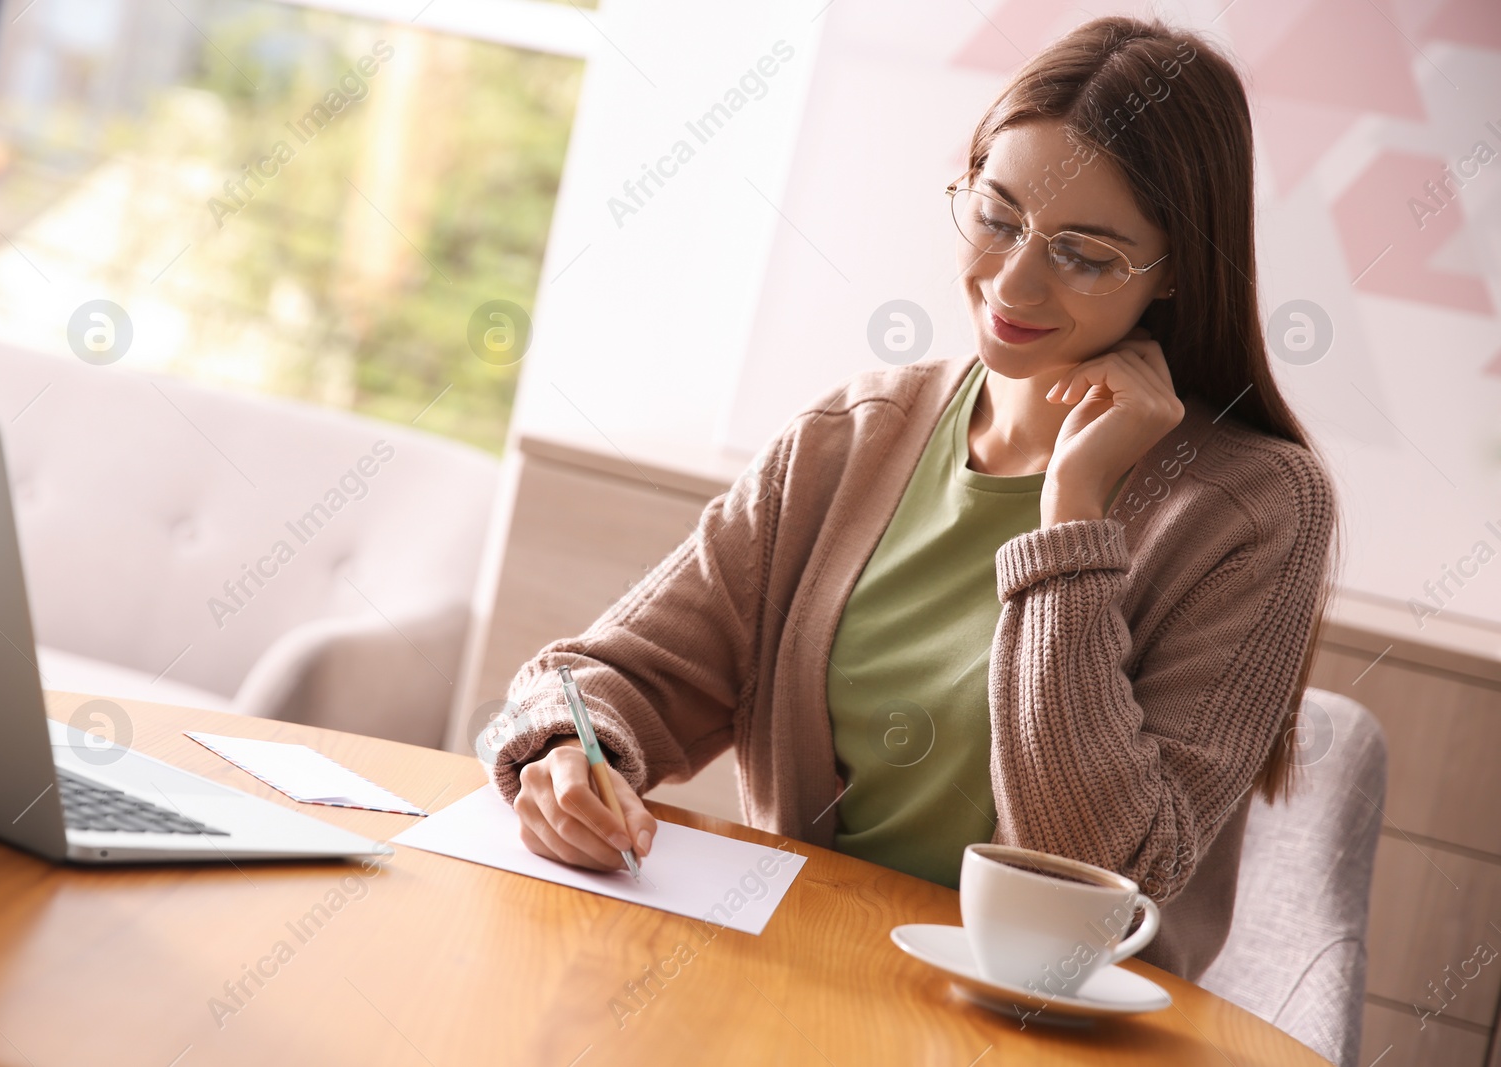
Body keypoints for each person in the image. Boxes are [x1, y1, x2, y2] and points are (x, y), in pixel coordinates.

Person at [480, 13, 1339, 982]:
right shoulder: (858, 432)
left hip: (1053, 1025)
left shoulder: (1257, 507)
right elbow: (617, 673)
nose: (1011, 280)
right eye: (996, 215)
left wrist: (1073, 516)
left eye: (1084, 254)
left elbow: (1107, 868)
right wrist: (565, 748)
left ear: (1175, 267)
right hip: (800, 975)